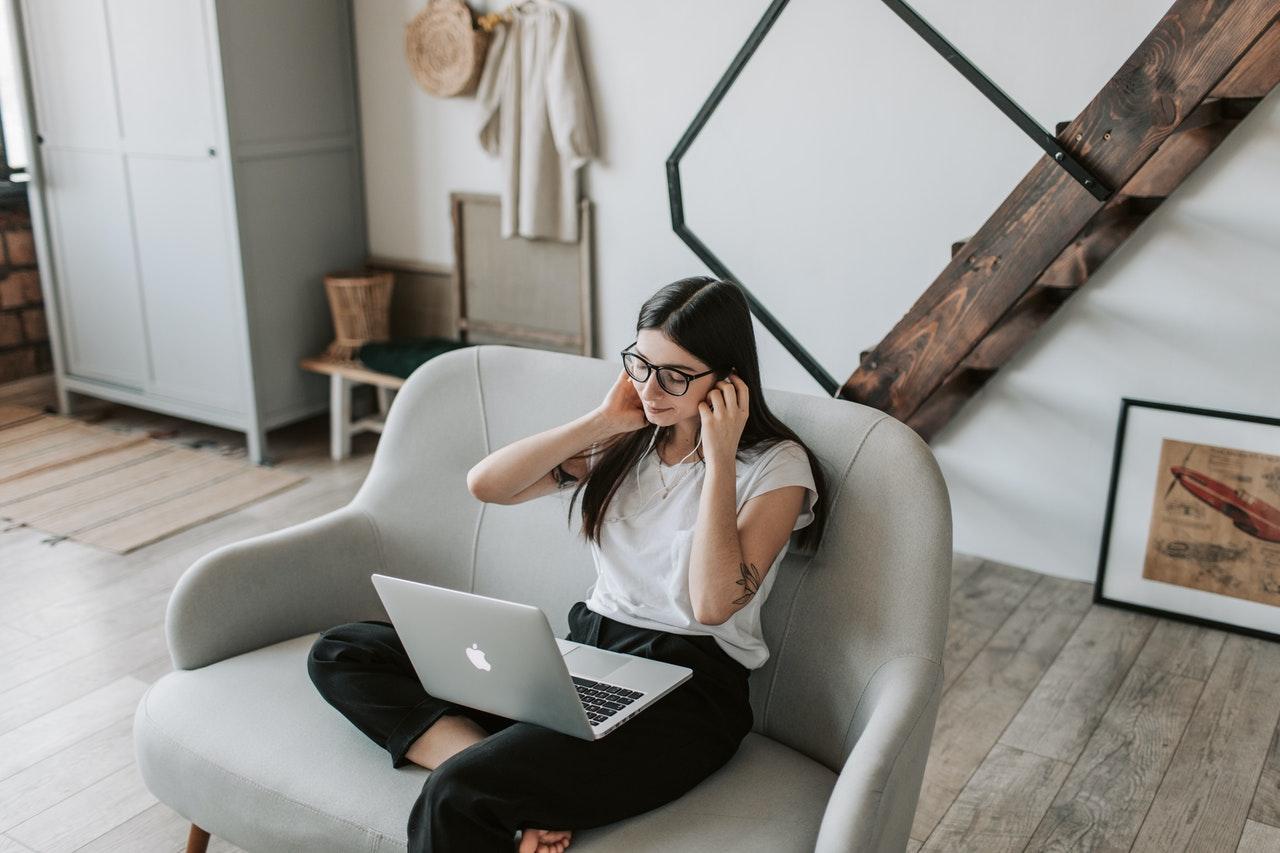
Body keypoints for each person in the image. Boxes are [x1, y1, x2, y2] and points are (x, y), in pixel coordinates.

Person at [307, 275, 827, 852]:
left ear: (728, 381)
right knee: (343, 649)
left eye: (676, 376)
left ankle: (492, 781)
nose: (651, 389)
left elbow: (710, 604)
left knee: (457, 794)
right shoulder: (631, 442)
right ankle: (497, 776)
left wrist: (720, 455)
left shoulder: (776, 467)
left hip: (688, 694)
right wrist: (603, 421)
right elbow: (487, 485)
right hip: (584, 657)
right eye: (640, 364)